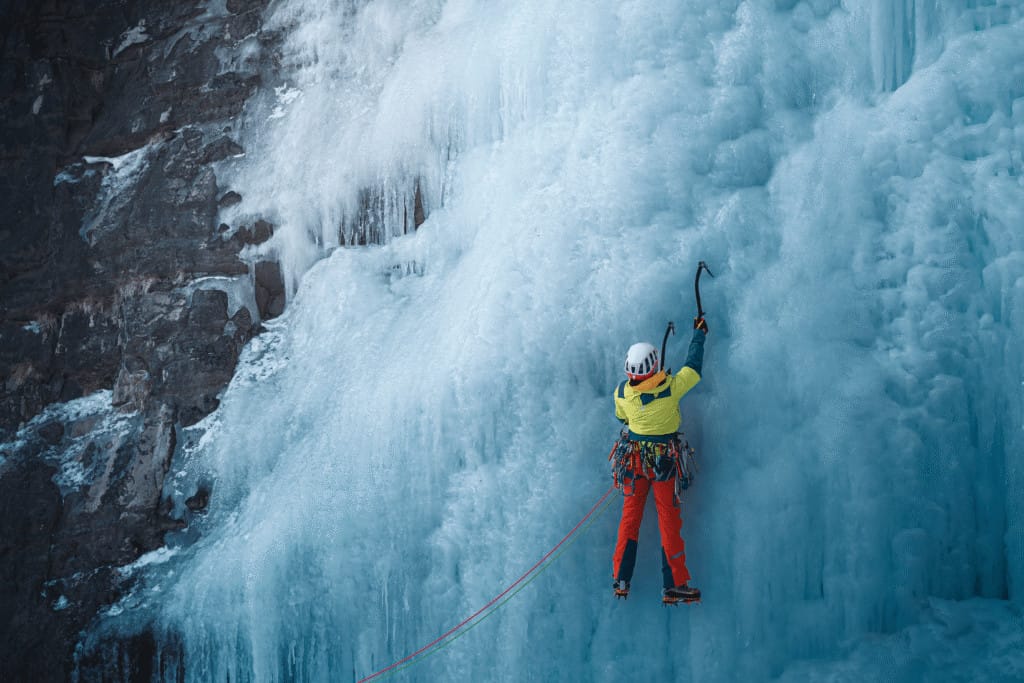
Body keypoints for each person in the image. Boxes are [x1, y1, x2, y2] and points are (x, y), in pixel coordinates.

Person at [611, 316, 708, 604]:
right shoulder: (670, 388)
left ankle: (621, 578)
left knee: (630, 518)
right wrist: (698, 334)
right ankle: (674, 584)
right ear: (654, 365)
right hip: (663, 464)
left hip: (632, 462)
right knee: (668, 520)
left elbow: (622, 417)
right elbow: (693, 369)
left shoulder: (622, 392)